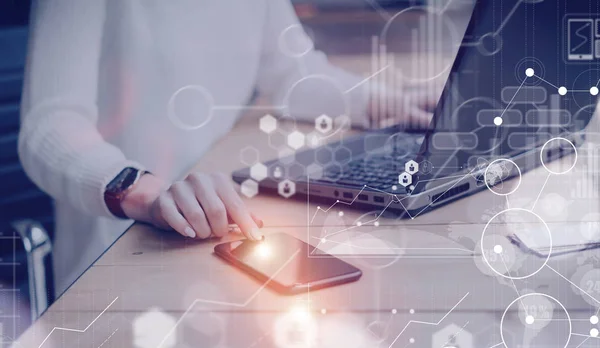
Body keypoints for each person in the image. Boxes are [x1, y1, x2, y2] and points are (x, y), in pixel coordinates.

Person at [19, 0, 436, 295]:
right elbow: (48, 127)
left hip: (217, 232)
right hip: (118, 257)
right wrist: (145, 192)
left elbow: (293, 72)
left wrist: (391, 104)